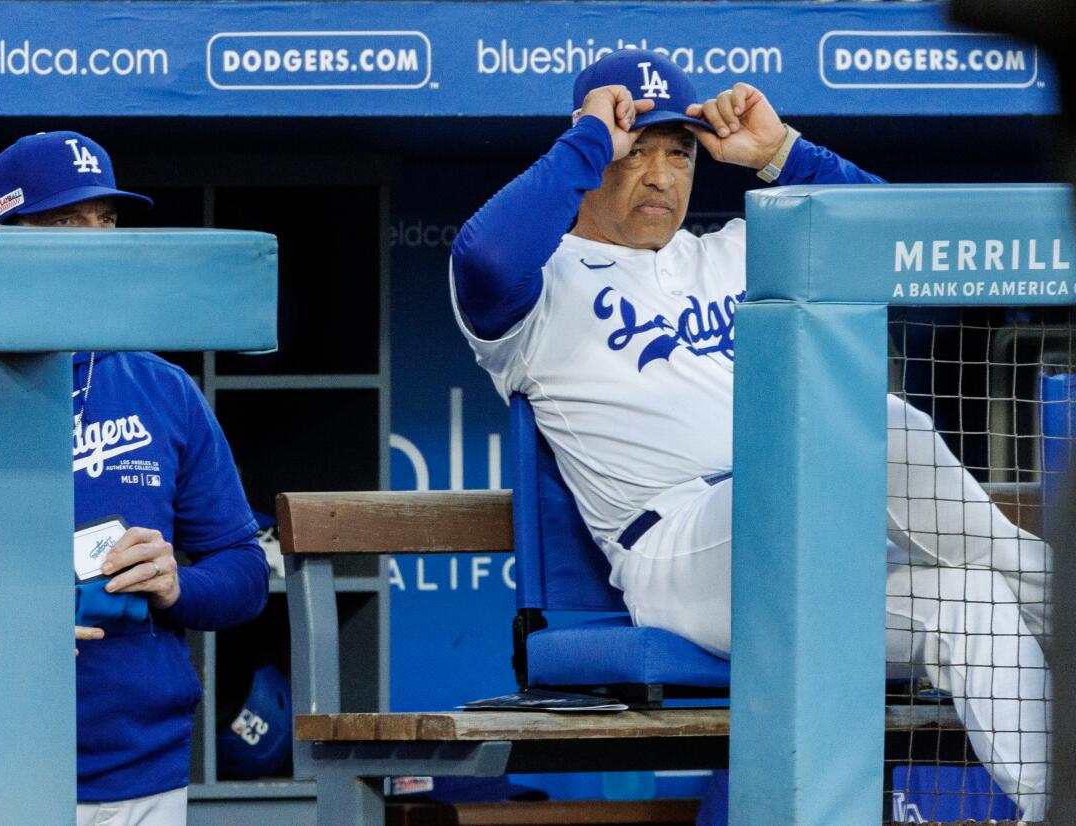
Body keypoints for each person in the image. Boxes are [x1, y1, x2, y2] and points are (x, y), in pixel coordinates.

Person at [450, 49, 1050, 820]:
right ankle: (1059, 600)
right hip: (683, 556)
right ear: (594, 152)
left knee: (972, 602)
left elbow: (900, 250)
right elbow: (485, 254)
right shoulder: (542, 287)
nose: (662, 175)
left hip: (813, 534)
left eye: (681, 152)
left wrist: (781, 155)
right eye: (637, 152)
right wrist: (590, 137)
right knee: (879, 425)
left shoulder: (736, 252)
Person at [0, 131, 270, 825]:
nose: (94, 245)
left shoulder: (164, 390)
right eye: (64, 223)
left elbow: (243, 573)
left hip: (142, 761)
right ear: (4, 239)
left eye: (106, 222)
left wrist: (178, 584)